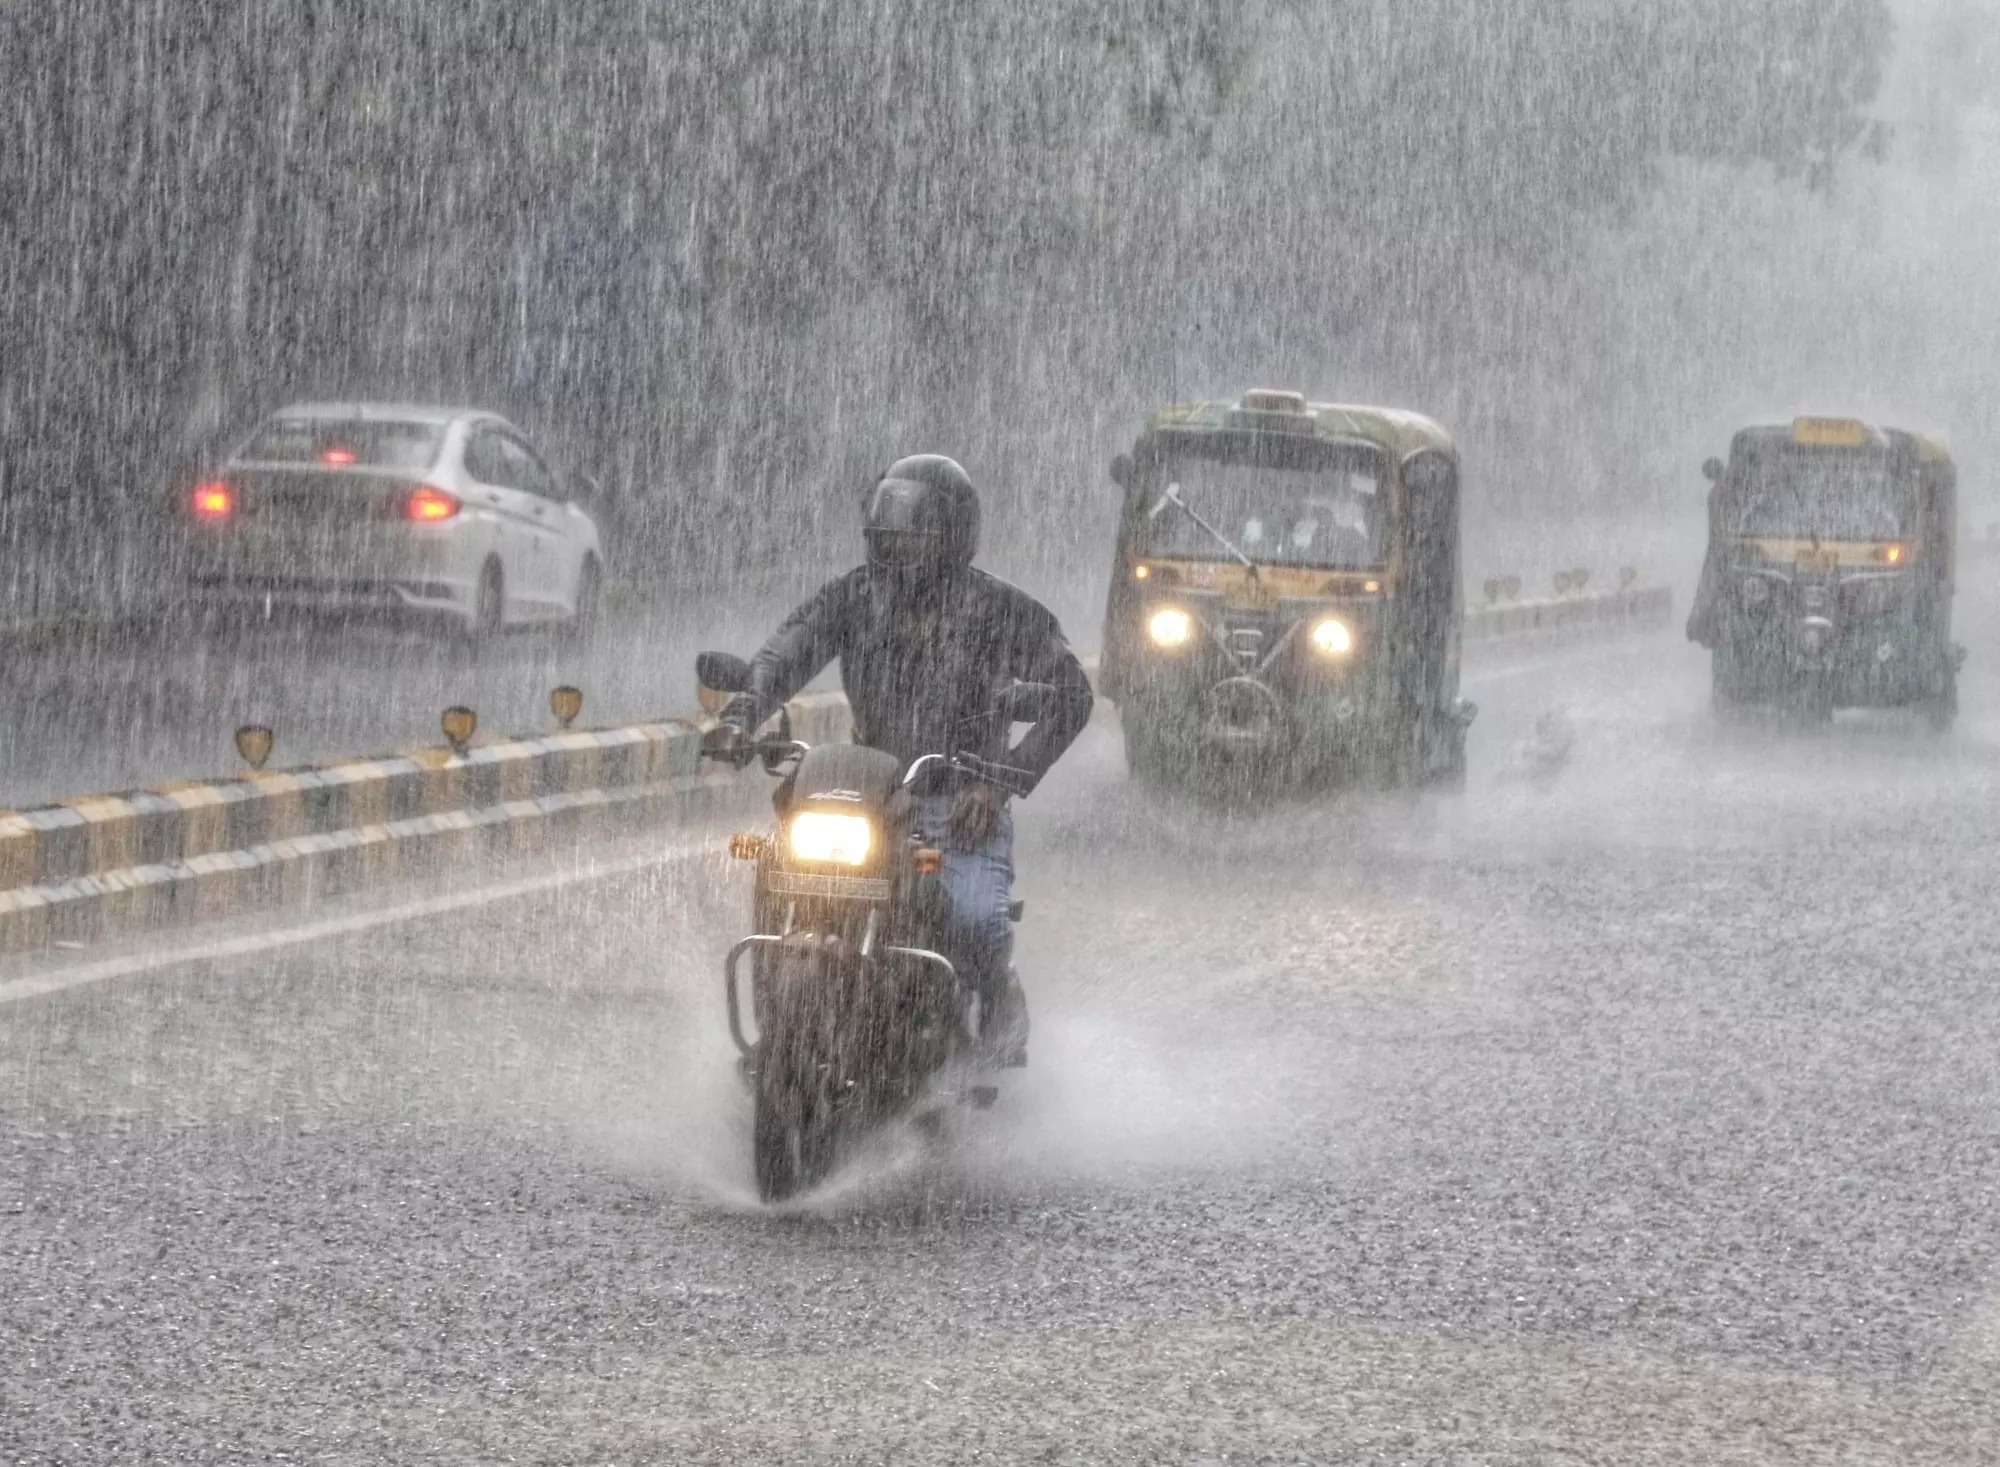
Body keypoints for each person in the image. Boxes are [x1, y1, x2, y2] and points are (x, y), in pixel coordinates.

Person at [701, 454, 1094, 1065]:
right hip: (870, 798)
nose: (899, 543)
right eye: (890, 529)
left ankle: (995, 994)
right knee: (776, 869)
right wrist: (739, 718)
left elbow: (1072, 695)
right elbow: (785, 656)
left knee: (970, 920)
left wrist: (996, 785)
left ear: (954, 536)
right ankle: (777, 1027)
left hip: (957, 804)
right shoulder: (854, 596)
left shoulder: (999, 609)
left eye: (915, 530)